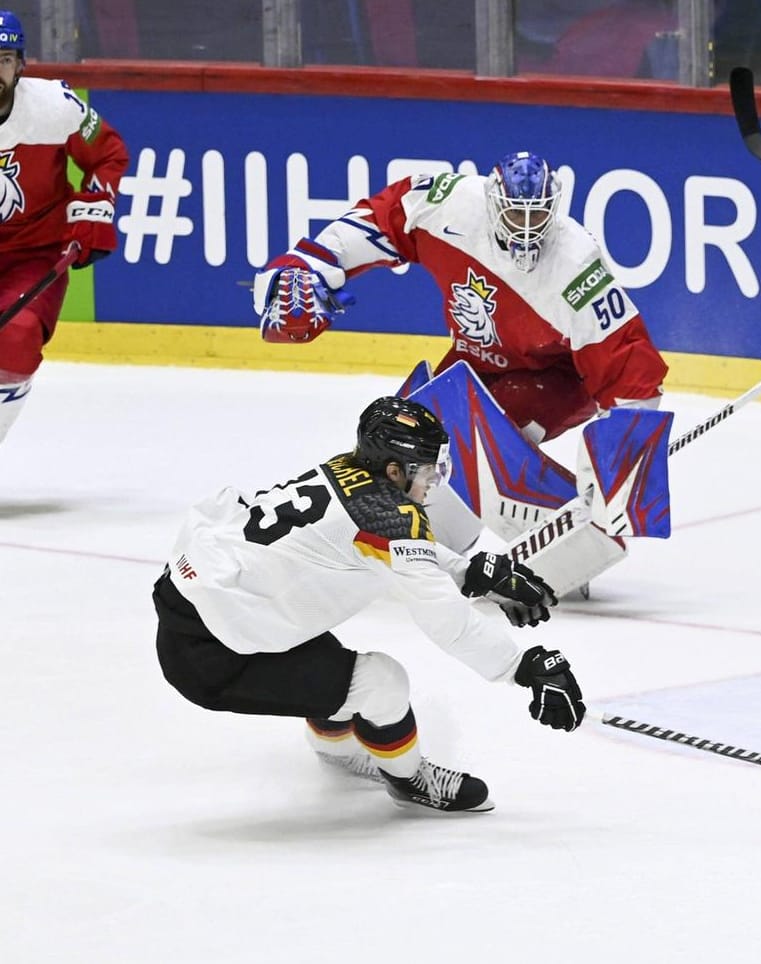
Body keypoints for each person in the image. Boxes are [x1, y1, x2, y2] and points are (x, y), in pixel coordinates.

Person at [151, 395, 587, 813]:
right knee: (382, 683)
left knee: (334, 665)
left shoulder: (347, 469)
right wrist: (521, 668)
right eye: (426, 470)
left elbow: (386, 541)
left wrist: (468, 570)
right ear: (394, 470)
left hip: (205, 607)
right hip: (213, 656)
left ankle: (335, 750)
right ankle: (410, 780)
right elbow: (448, 622)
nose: (434, 480)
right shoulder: (390, 519)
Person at [251, 150, 668, 447]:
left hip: (560, 379)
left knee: (477, 440)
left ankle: (551, 535)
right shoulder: (447, 205)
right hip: (476, 363)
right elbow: (383, 219)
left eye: (536, 214)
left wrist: (630, 449)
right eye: (515, 213)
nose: (526, 227)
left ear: (553, 207)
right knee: (404, 438)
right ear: (492, 202)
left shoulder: (575, 263)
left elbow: (626, 357)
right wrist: (310, 263)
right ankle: (404, 543)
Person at [0, 9, 128, 448]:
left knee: (14, 336)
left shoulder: (54, 106)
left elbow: (107, 154)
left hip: (34, 254)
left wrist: (92, 210)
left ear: (20, 65)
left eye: (2, 59)